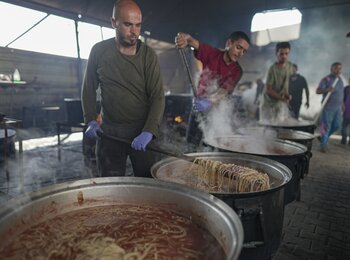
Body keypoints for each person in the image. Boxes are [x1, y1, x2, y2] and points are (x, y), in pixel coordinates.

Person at [81, 0, 165, 177]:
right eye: (128, 25)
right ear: (114, 23)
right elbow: (88, 89)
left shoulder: (148, 55)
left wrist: (149, 131)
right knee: (111, 187)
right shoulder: (99, 51)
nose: (134, 32)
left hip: (141, 132)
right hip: (109, 134)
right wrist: (90, 119)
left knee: (148, 187)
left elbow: (157, 96)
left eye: (138, 25)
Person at [175, 31, 250, 145]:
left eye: (244, 51)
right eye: (238, 47)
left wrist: (208, 101)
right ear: (229, 43)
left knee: (211, 146)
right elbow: (192, 41)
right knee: (191, 145)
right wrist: (184, 38)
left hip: (217, 114)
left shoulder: (237, 71)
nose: (240, 53)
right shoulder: (213, 54)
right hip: (198, 108)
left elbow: (224, 91)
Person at [259, 42, 293, 122]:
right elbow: (269, 90)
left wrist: (286, 95)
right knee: (267, 130)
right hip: (268, 105)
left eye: (286, 54)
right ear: (276, 54)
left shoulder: (289, 66)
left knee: (279, 129)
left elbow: (285, 84)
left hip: (279, 104)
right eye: (281, 54)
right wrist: (282, 98)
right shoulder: (272, 69)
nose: (284, 56)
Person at [316, 62, 344, 152]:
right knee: (326, 126)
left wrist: (343, 104)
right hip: (328, 107)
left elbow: (341, 93)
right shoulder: (326, 79)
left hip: (338, 108)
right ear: (331, 69)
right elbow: (318, 91)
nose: (338, 70)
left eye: (340, 68)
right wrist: (327, 89)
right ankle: (323, 145)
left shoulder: (340, 80)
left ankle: (324, 137)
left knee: (337, 125)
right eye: (336, 68)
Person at [341, 77, 350, 145]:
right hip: (347, 111)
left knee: (344, 126)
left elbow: (342, 99)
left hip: (347, 111)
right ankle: (345, 142)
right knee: (344, 126)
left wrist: (343, 105)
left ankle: (344, 141)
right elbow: (342, 99)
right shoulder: (346, 88)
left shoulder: (346, 88)